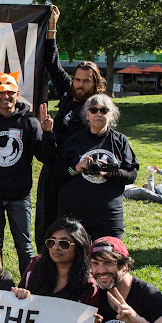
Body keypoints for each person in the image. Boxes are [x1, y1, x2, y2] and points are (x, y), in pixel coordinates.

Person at [39, 5, 105, 251]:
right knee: (45, 222)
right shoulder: (69, 93)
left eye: (86, 81)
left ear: (95, 84)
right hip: (52, 166)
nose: (79, 85)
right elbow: (52, 63)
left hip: (72, 173)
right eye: (77, 79)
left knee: (66, 225)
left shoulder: (96, 109)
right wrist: (53, 27)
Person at [0, 71, 55, 272]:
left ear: (17, 94)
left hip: (20, 197)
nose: (5, 96)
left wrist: (48, 133)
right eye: (0, 92)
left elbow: (45, 157)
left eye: (10, 92)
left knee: (24, 246)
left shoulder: (30, 123)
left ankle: (29, 284)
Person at [19, 218, 99, 323]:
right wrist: (19, 295)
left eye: (64, 243)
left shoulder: (88, 285)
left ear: (78, 246)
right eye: (51, 242)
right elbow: (17, 307)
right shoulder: (35, 266)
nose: (56, 248)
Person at [55, 94, 139, 240]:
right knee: (76, 261)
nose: (98, 114)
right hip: (75, 214)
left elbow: (131, 175)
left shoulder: (120, 141)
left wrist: (108, 172)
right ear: (87, 115)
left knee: (109, 258)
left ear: (111, 115)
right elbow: (57, 174)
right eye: (93, 110)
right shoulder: (74, 141)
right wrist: (76, 168)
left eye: (104, 110)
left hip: (108, 216)